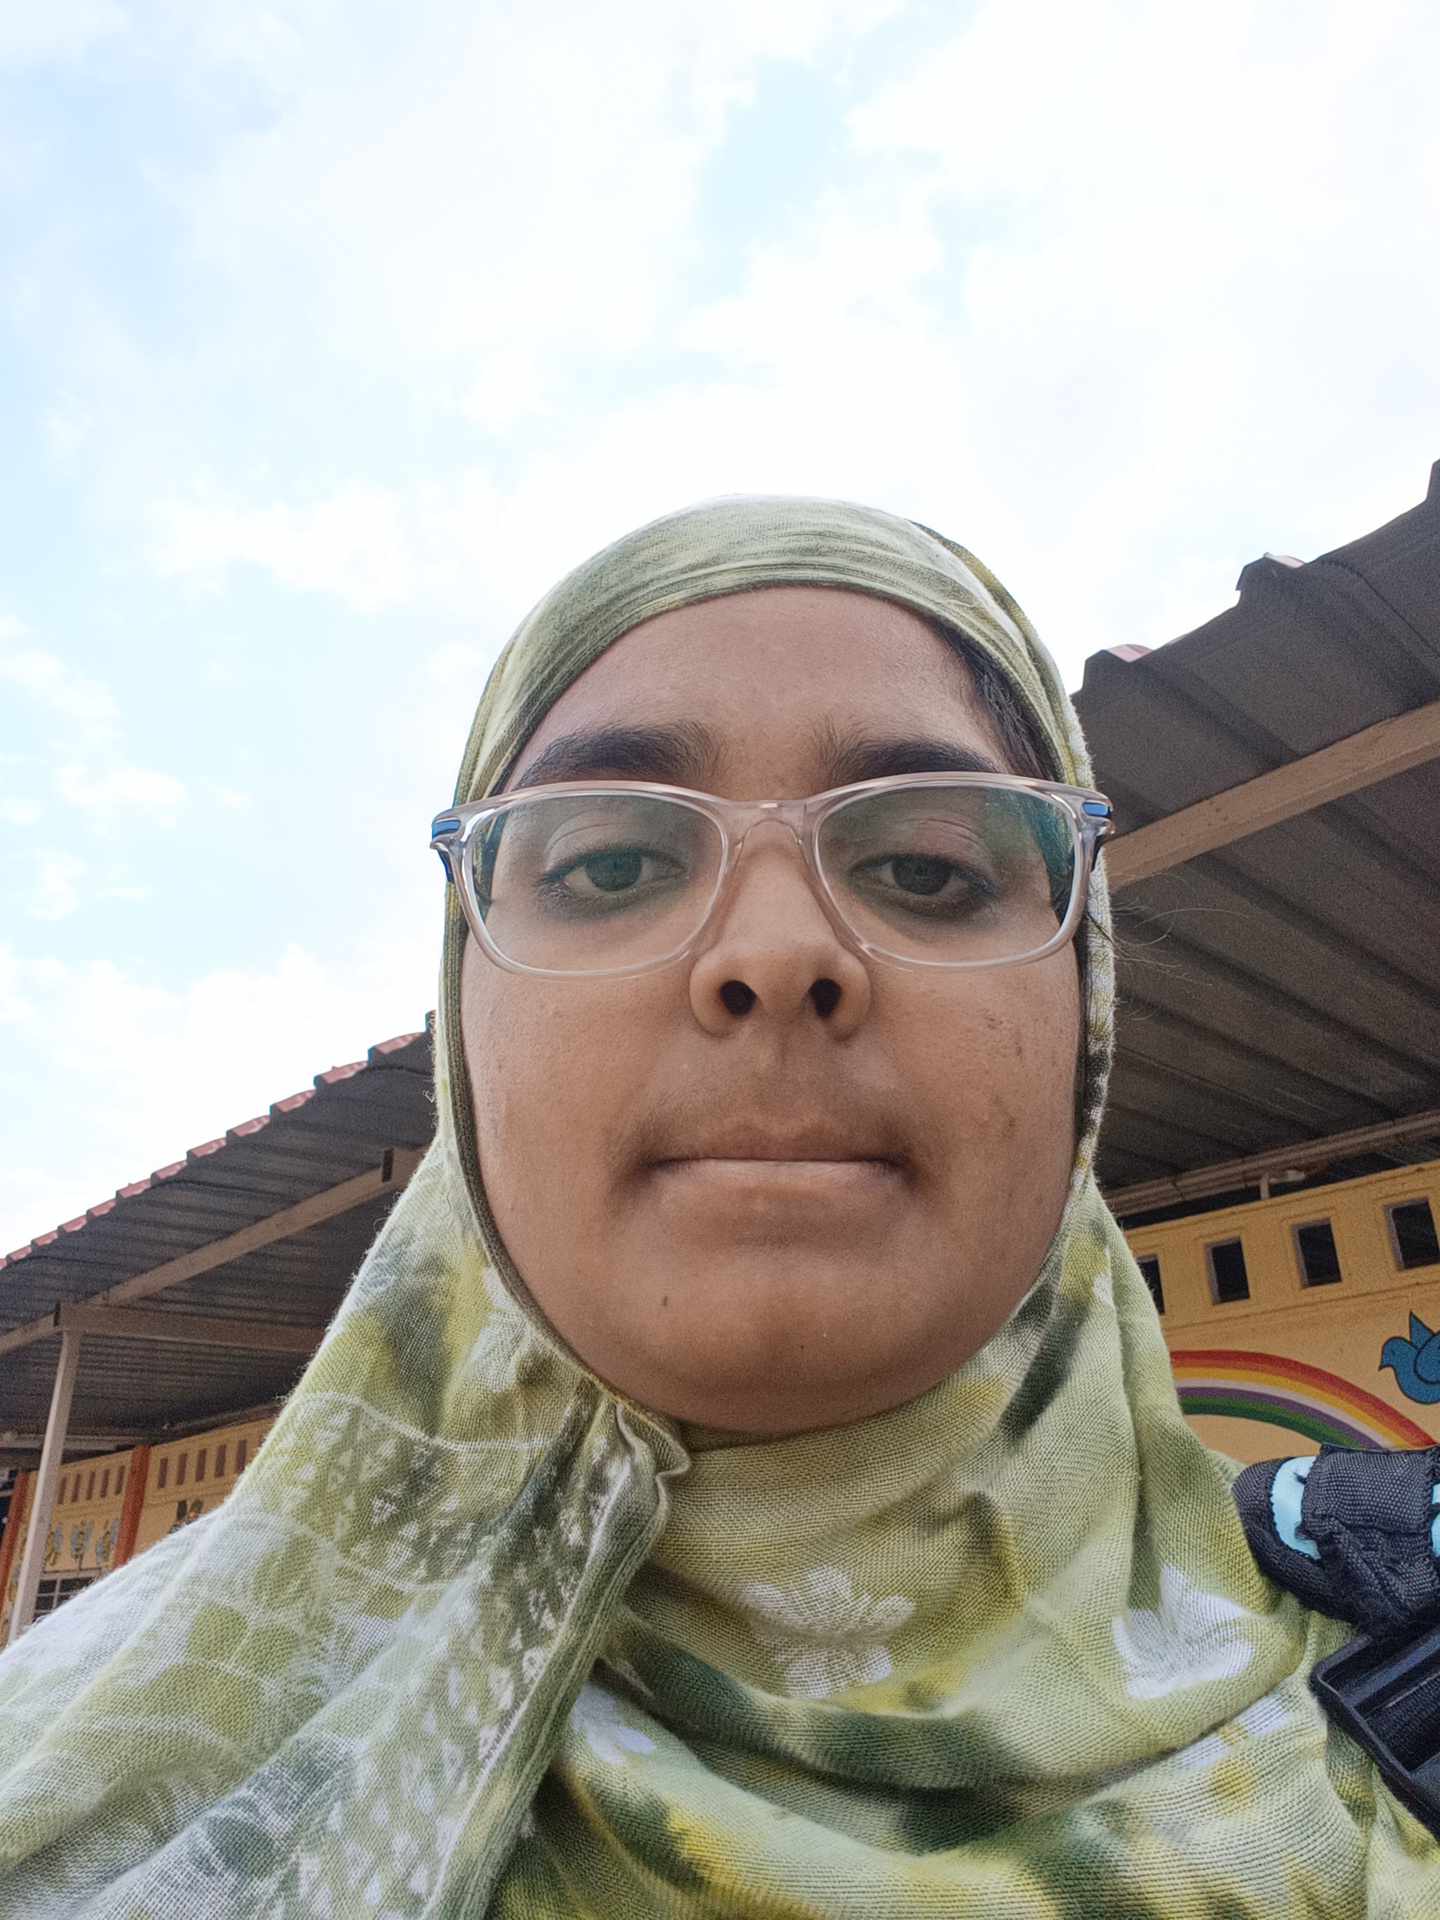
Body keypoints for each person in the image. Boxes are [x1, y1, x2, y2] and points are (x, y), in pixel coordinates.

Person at [0, 496, 1433, 1916]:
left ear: (1087, 1007)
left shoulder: (1393, 1684)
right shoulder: (65, 1791)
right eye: (611, 863)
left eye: (927, 867)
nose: (778, 951)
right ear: (463, 1018)